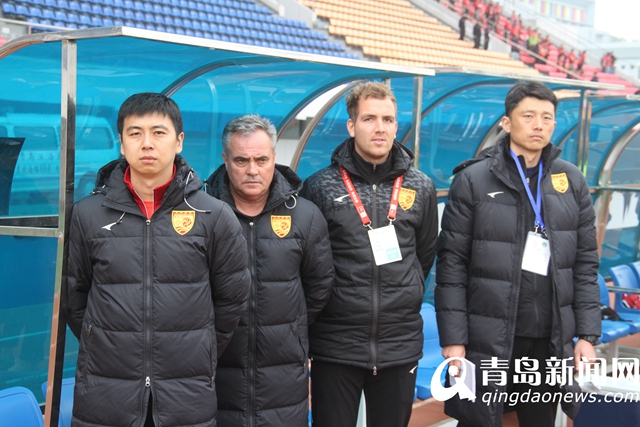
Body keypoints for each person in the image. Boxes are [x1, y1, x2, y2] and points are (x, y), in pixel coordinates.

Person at [66, 93, 251, 427]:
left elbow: (231, 299)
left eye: (158, 132)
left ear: (179, 141)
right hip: (106, 391)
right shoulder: (87, 214)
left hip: (186, 391)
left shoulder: (213, 214)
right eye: (135, 133)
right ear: (121, 143)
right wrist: (104, 342)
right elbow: (74, 297)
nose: (147, 143)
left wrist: (199, 347)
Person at [435, 81, 601, 427]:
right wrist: (454, 340)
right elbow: (452, 265)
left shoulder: (571, 181)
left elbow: (585, 264)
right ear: (507, 123)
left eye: (546, 117)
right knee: (478, 419)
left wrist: (587, 335)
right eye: (528, 116)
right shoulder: (473, 180)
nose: (538, 125)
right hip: (488, 337)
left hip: (549, 339)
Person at [300, 81, 439, 427]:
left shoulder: (421, 186)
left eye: (388, 119)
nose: (380, 128)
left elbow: (423, 256)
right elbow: (310, 264)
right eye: (369, 119)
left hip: (398, 344)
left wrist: (404, 291)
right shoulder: (320, 186)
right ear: (351, 125)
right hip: (336, 344)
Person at [205, 115, 335, 427]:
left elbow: (319, 285)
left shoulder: (305, 216)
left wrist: (289, 329)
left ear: (274, 158)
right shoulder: (203, 213)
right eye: (241, 160)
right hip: (215, 374)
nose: (252, 170)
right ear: (225, 159)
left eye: (261, 160)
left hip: (283, 374)